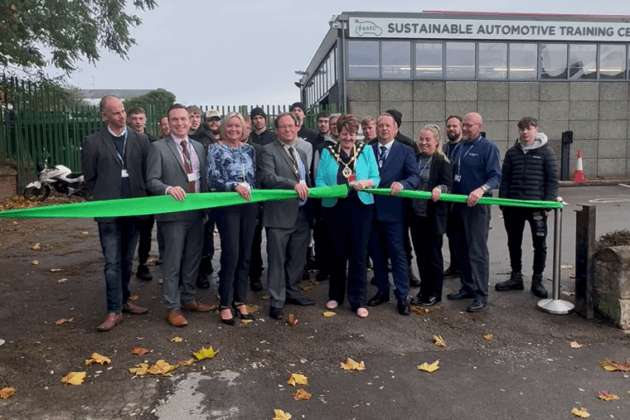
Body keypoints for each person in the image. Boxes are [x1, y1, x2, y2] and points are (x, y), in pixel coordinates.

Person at [81, 95, 150, 331]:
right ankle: (113, 310)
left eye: (123, 111)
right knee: (111, 262)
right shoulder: (93, 142)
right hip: (109, 212)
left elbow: (145, 172)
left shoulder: (141, 140)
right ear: (104, 116)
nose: (122, 116)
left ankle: (124, 301)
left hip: (134, 210)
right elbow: (90, 178)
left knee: (126, 259)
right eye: (116, 113)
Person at [147, 104, 216, 327]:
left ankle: (188, 299)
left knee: (193, 260)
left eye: (183, 119)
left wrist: (207, 207)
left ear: (190, 121)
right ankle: (172, 307)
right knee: (173, 262)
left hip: (196, 213)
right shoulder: (158, 148)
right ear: (168, 122)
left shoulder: (198, 146)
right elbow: (152, 181)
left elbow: (203, 177)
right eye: (175, 119)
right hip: (173, 215)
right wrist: (168, 189)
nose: (180, 123)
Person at [315, 114, 380, 318]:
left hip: (361, 207)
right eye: (344, 134)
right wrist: (334, 190)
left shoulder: (366, 150)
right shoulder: (327, 152)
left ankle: (358, 300)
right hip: (335, 208)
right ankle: (335, 295)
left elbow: (376, 178)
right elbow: (319, 182)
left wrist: (366, 183)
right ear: (338, 133)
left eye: (352, 134)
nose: (349, 138)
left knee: (359, 255)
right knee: (337, 254)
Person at [258, 112, 314, 320]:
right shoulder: (267, 151)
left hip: (301, 214)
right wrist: (293, 185)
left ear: (298, 127)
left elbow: (306, 179)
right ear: (276, 130)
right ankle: (276, 301)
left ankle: (292, 292)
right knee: (277, 260)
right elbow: (268, 177)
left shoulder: (301, 152)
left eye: (291, 126)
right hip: (279, 215)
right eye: (283, 127)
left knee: (297, 260)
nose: (288, 130)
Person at [496, 117, 558, 299]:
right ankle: (516, 277)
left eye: (529, 128)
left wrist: (548, 203)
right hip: (513, 207)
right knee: (514, 242)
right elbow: (505, 180)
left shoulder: (546, 152)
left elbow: (552, 180)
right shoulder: (512, 153)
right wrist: (503, 203)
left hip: (537, 207)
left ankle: (537, 280)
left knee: (539, 244)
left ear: (535, 130)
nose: (525, 132)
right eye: (522, 129)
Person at [446, 112, 501, 313]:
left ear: (479, 126)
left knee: (477, 251)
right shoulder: (459, 147)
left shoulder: (488, 147)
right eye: (464, 125)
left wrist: (481, 189)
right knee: (460, 248)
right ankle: (467, 286)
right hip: (458, 206)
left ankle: (481, 294)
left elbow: (495, 176)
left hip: (477, 208)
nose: (465, 129)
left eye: (469, 126)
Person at [207, 112, 258, 325]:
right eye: (230, 126)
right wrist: (234, 186)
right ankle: (225, 302)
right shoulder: (215, 149)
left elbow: (255, 176)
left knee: (246, 253)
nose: (234, 130)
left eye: (238, 126)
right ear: (223, 128)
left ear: (243, 129)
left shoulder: (250, 150)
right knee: (232, 253)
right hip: (228, 207)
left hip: (249, 205)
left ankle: (240, 300)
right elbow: (212, 178)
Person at [367, 113, 420, 316]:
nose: (384, 129)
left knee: (398, 256)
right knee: (377, 255)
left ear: (396, 128)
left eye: (388, 125)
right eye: (380, 125)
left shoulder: (405, 151)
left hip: (394, 213)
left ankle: (402, 295)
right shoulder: (367, 150)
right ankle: (381, 291)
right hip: (371, 211)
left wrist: (403, 184)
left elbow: (414, 176)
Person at [408, 125, 453, 307]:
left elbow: (447, 184)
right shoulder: (415, 158)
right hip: (415, 216)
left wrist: (439, 189)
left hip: (432, 217)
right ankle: (423, 291)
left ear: (436, 141)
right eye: (421, 139)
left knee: (433, 257)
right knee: (420, 256)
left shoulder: (443, 162)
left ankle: (435, 293)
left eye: (428, 140)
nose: (423, 143)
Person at [127, 107, 159, 282]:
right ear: (129, 120)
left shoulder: (153, 141)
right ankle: (126, 264)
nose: (138, 121)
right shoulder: (122, 142)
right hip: (128, 194)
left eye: (141, 118)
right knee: (128, 231)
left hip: (148, 193)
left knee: (146, 232)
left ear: (145, 119)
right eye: (134, 118)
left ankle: (142, 264)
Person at [442, 115, 463, 278]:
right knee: (451, 233)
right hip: (447, 199)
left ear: (461, 127)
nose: (451, 129)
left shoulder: (465, 147)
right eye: (449, 126)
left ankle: (463, 268)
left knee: (462, 235)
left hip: (462, 198)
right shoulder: (444, 148)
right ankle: (454, 265)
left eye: (454, 126)